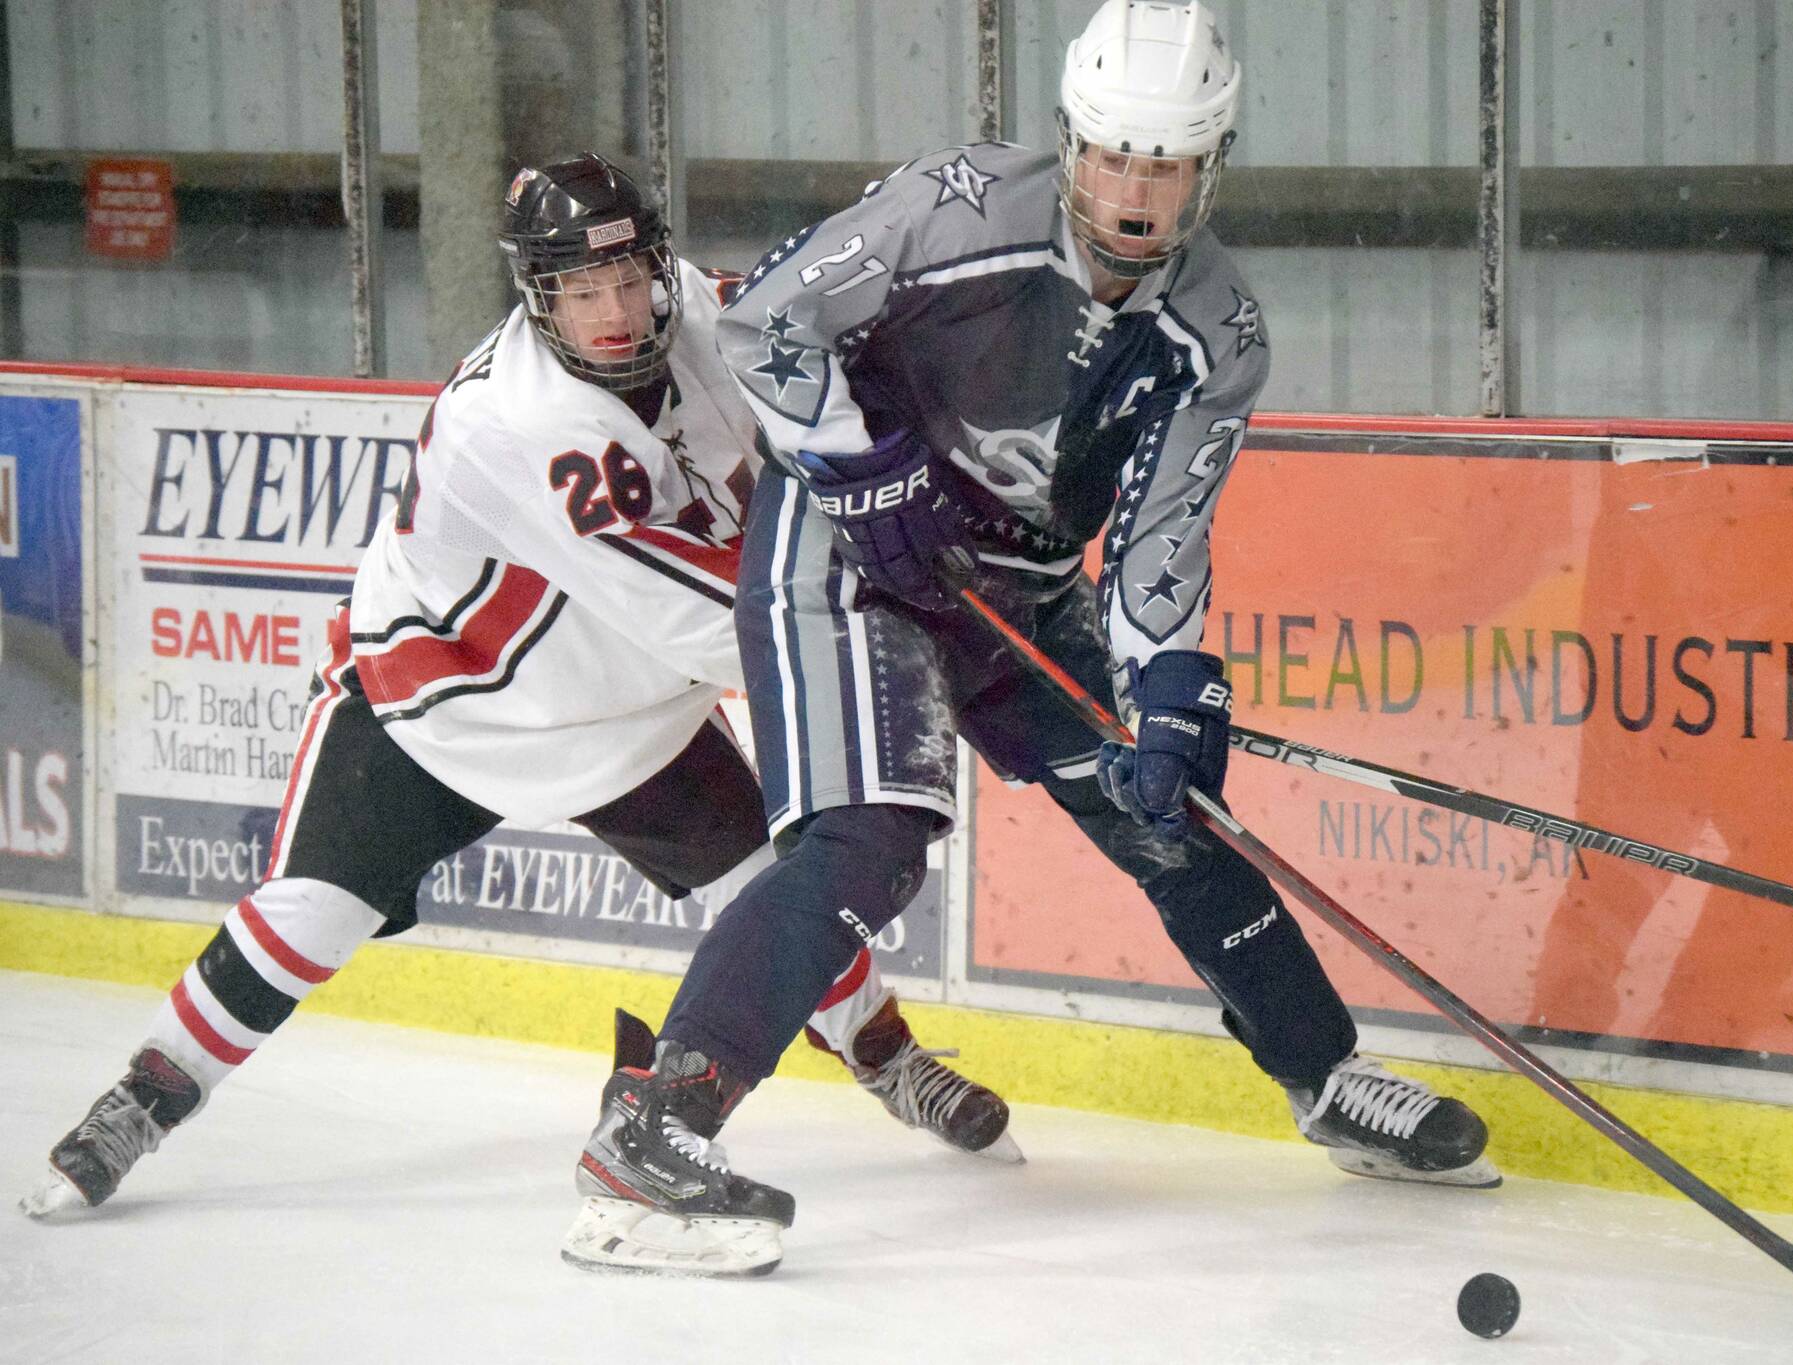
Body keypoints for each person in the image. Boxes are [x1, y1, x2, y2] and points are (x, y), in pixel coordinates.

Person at [603, 0, 1501, 1274]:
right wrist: (861, 469)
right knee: (870, 835)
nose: (1135, 191)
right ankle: (655, 1129)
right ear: (1072, 141)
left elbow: (1157, 536)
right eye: (1115, 155)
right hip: (851, 550)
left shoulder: (1217, 332)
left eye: (1169, 163)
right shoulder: (950, 207)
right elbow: (766, 319)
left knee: (1175, 814)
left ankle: (1326, 1079)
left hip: (1016, 587)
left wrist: (1173, 688)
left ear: (1210, 165)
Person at [20, 154, 1017, 1269]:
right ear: (534, 295)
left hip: (627, 714)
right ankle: (143, 1099)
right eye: (579, 293)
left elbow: (822, 367)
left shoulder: (700, 307)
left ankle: (889, 1062)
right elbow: (709, 621)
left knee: (775, 903)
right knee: (306, 917)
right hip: (449, 708)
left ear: (656, 262)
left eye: (631, 279)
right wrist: (912, 641)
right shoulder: (512, 424)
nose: (614, 310)